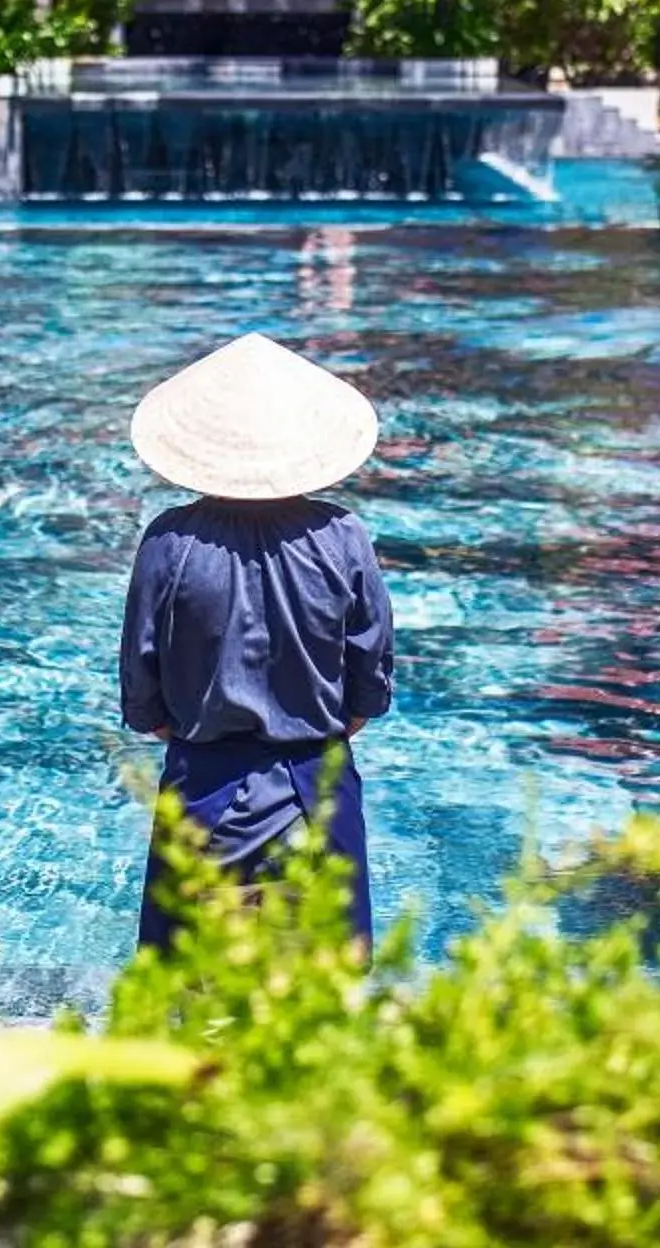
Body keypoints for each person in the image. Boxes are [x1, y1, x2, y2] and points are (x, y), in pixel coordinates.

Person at [119, 331, 394, 951]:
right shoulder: (343, 536)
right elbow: (370, 677)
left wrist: (181, 728)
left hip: (202, 796)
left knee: (188, 991)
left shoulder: (168, 542)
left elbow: (142, 689)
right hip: (315, 794)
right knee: (323, 996)